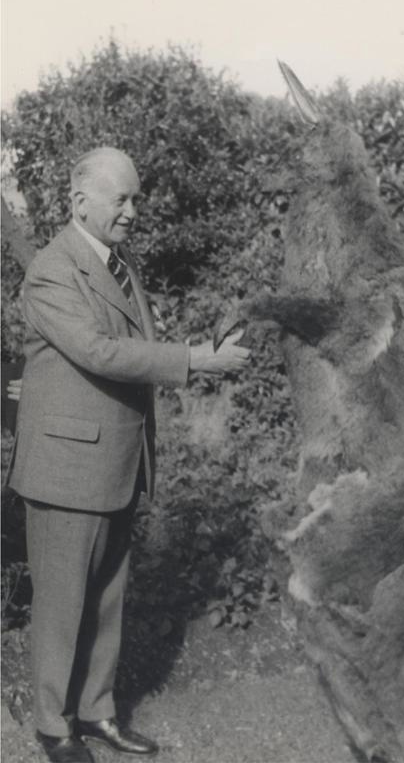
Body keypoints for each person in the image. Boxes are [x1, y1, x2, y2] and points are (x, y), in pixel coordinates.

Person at [7, 147, 250, 763]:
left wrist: (195, 345)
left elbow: (123, 345)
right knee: (63, 606)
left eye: (136, 198)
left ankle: (97, 713)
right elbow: (99, 352)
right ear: (79, 202)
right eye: (123, 199)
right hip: (67, 468)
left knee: (107, 601)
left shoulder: (119, 263)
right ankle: (53, 726)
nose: (134, 211)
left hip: (114, 460)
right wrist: (194, 358)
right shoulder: (52, 268)